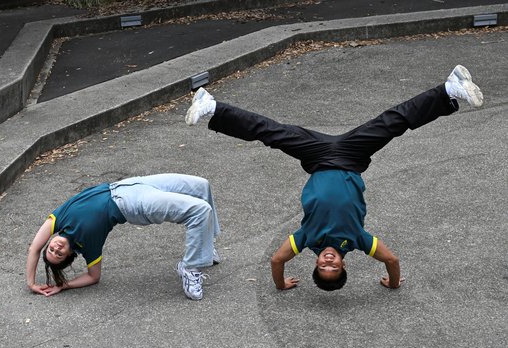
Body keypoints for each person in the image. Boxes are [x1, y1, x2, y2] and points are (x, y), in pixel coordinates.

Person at [185, 65, 483, 291]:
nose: (328, 262)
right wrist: (392, 283)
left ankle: (211, 106)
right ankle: (448, 90)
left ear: (315, 262)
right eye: (334, 267)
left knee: (271, 133)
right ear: (343, 264)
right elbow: (391, 260)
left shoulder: (306, 239)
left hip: (318, 159)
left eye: (323, 267)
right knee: (392, 123)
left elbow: (277, 260)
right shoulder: (357, 241)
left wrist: (280, 284)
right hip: (351, 158)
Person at [26, 173, 221, 300]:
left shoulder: (58, 219)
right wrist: (64, 285)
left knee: (202, 186)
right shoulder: (87, 245)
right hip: (132, 204)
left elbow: (34, 248)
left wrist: (31, 283)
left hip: (127, 185)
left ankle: (204, 246)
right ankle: (190, 267)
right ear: (69, 255)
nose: (56, 248)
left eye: (51, 248)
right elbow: (94, 276)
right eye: (59, 254)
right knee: (199, 210)